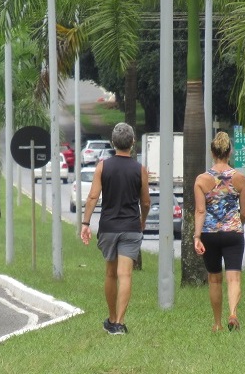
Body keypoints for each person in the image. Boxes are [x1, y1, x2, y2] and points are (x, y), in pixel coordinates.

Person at [80, 122, 151, 335]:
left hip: (109, 227)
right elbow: (145, 202)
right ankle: (120, 323)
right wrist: (143, 220)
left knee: (110, 273)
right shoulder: (140, 170)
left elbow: (93, 196)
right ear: (132, 143)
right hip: (131, 226)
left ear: (113, 142)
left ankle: (111, 318)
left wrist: (85, 223)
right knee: (125, 275)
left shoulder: (103, 166)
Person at [193, 131, 245, 332]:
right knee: (233, 278)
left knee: (214, 278)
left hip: (209, 234)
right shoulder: (240, 178)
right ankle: (233, 313)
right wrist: (237, 224)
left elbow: (200, 210)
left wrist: (197, 236)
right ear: (229, 152)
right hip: (233, 233)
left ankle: (217, 323)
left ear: (212, 152)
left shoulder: (201, 180)